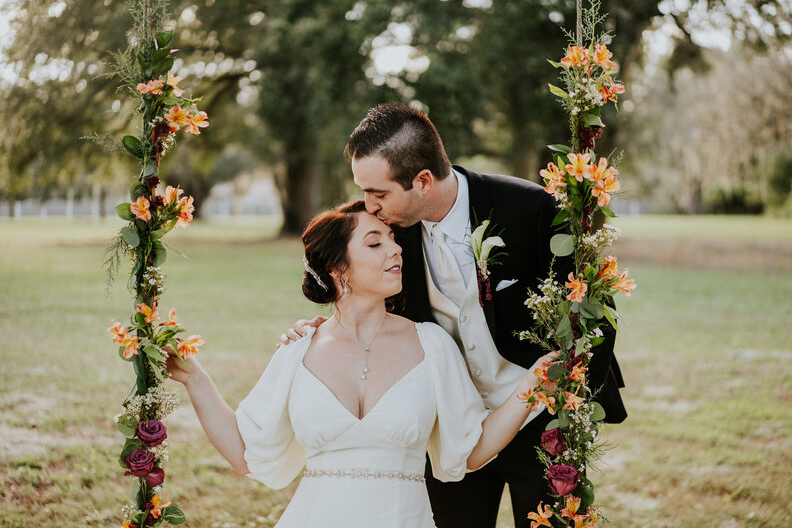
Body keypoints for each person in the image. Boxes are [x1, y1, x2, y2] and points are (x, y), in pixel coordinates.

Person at [282, 103, 627, 528]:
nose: (369, 205)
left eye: (379, 192)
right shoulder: (388, 233)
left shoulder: (533, 209)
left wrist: (568, 405)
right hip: (448, 427)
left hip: (541, 421)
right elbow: (361, 287)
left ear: (423, 181)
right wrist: (327, 329)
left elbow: (595, 313)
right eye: (364, 190)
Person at [166, 200, 557, 528]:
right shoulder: (299, 349)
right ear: (338, 269)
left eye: (393, 239)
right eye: (375, 243)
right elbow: (244, 453)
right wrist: (194, 378)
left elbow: (471, 449)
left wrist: (531, 386)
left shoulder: (431, 345)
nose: (396, 249)